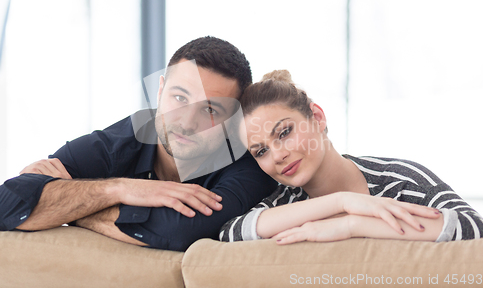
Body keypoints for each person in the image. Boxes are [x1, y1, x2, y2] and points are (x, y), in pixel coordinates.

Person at [0, 36, 277, 251]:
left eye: (210, 110)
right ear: (159, 91)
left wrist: (75, 209)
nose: (187, 122)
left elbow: (181, 232)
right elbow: (9, 202)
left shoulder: (250, 165)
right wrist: (118, 188)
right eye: (179, 98)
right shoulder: (119, 142)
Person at [219, 70, 483, 244]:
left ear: (317, 117)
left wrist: (352, 224)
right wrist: (341, 202)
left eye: (284, 132)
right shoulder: (285, 204)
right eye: (261, 151)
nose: (278, 154)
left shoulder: (399, 182)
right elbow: (231, 232)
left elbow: (475, 227)